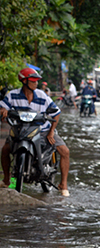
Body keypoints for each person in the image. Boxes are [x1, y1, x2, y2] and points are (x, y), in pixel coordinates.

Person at [0, 68, 70, 196]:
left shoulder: (42, 96)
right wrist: (3, 110)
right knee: (5, 150)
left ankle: (63, 184)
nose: (36, 83)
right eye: (33, 81)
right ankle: (6, 179)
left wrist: (51, 132)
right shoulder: (13, 95)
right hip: (19, 130)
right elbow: (3, 106)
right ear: (24, 81)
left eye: (37, 81)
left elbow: (56, 112)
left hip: (43, 130)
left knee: (65, 151)